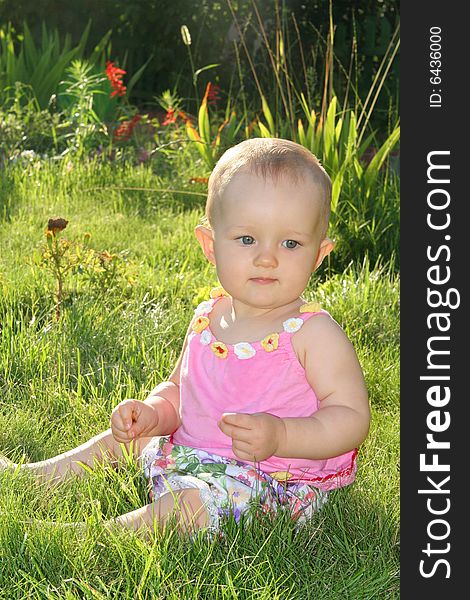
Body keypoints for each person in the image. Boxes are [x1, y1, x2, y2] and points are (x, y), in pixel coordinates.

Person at [1, 138, 370, 537]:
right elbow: (181, 389)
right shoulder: (207, 317)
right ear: (211, 246)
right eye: (247, 239)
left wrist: (282, 435)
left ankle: (88, 536)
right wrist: (154, 413)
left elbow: (350, 418)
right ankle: (36, 478)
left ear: (318, 254)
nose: (267, 258)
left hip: (270, 481)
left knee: (190, 506)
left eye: (291, 243)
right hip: (191, 456)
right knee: (126, 440)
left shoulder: (313, 333)